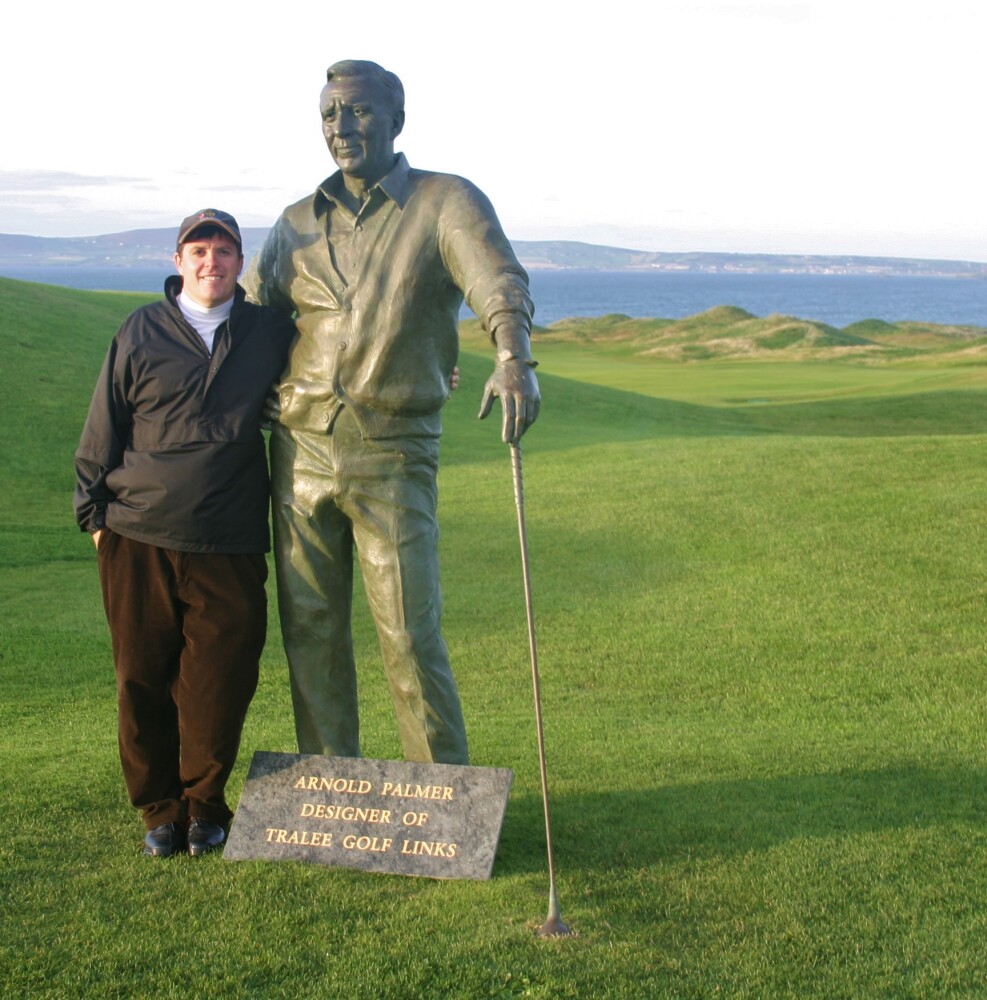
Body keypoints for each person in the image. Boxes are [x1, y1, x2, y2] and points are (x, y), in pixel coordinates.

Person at [244, 59, 540, 766]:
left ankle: (441, 794)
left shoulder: (445, 202)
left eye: (357, 112)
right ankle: (327, 781)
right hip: (299, 450)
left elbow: (495, 277)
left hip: (393, 450)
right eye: (328, 115)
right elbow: (256, 316)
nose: (340, 128)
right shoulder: (294, 224)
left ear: (395, 119)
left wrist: (513, 357)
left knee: (409, 630)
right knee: (311, 630)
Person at [74, 209, 296, 857]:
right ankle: (158, 812)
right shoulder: (142, 330)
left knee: (220, 681)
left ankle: (203, 806)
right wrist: (94, 519)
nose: (211, 262)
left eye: (224, 251)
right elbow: (103, 424)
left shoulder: (268, 330)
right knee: (141, 679)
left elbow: (342, 360)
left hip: (228, 541)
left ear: (239, 263)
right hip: (136, 535)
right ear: (178, 261)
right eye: (198, 251)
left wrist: (435, 367)